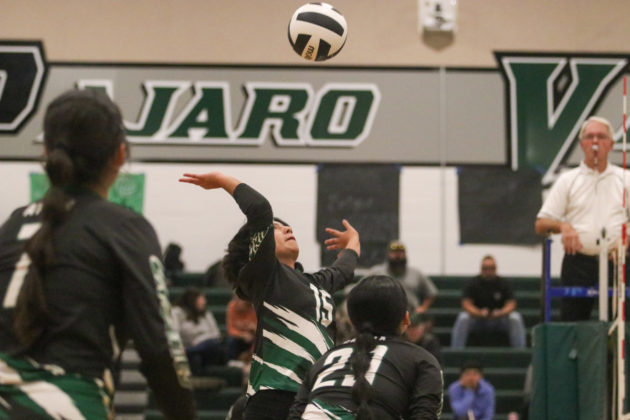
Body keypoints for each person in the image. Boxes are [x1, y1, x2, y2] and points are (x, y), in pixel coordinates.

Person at [0, 89, 195, 419]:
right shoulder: (124, 227)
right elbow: (159, 348)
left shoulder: (13, 224)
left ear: (46, 152)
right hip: (68, 405)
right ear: (120, 155)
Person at [179, 171, 360, 420]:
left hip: (313, 399)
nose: (286, 228)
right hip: (274, 397)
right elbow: (260, 209)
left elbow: (344, 269)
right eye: (276, 228)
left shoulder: (315, 284)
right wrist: (221, 180)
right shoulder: (265, 275)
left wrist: (353, 239)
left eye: (285, 225)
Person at [288, 275, 444, 419]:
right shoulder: (422, 360)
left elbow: (295, 414)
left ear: (351, 321)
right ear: (406, 319)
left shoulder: (324, 359)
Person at [535, 116, 630, 321]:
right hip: (578, 262)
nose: (595, 142)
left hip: (618, 261)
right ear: (581, 144)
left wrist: (627, 236)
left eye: (601, 137)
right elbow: (541, 224)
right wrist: (563, 226)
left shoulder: (625, 178)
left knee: (622, 324)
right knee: (573, 323)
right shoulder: (568, 180)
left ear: (611, 144)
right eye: (590, 137)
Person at [451, 255, 526, 348]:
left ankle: (519, 351)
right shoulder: (473, 283)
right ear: (481, 269)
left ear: (496, 269)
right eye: (485, 268)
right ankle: (457, 351)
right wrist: (479, 312)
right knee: (463, 318)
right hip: (478, 319)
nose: (488, 271)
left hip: (499, 320)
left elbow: (511, 304)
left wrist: (501, 312)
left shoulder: (504, 283)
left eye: (491, 268)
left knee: (515, 318)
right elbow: (466, 304)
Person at [360, 240, 437, 313]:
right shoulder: (377, 272)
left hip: (410, 314)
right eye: (394, 252)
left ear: (405, 254)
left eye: (400, 252)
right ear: (388, 254)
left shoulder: (416, 273)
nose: (397, 255)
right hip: (383, 313)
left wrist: (423, 308)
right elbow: (360, 289)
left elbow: (431, 293)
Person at [172, 287, 226, 375]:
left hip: (207, 347)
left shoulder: (206, 314)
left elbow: (216, 334)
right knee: (195, 358)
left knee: (214, 344)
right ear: (192, 300)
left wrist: (199, 341)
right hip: (188, 346)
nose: (205, 302)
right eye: (201, 299)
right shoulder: (178, 312)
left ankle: (189, 350)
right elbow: (175, 332)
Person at [225, 294, 257, 361]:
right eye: (237, 300)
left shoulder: (252, 308)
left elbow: (258, 329)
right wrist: (242, 335)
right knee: (231, 340)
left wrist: (253, 328)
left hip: (251, 337)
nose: (239, 303)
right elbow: (230, 329)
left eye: (241, 300)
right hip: (238, 339)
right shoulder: (232, 306)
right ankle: (233, 360)